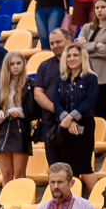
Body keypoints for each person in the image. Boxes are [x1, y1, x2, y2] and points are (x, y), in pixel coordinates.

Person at [56, 43, 100, 193]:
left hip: (84, 126)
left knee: (85, 167)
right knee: (69, 169)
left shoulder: (91, 78)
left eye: (75, 55)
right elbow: (56, 103)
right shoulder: (61, 79)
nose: (72, 58)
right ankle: (72, 206)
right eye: (68, 56)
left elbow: (90, 101)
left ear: (82, 57)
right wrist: (67, 120)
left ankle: (101, 203)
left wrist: (71, 118)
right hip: (66, 129)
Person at [76, 0, 106, 120]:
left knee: (99, 116)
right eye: (97, 8)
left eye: (103, 7)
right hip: (85, 76)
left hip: (104, 78)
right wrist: (96, 45)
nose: (99, 10)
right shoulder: (87, 27)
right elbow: (76, 49)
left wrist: (86, 46)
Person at [0, 51, 35, 182]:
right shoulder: (0, 85)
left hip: (21, 130)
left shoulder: (30, 84)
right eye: (12, 64)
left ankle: (20, 199)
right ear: (7, 66)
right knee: (6, 174)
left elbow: (32, 111)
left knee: (19, 174)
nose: (15, 66)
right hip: (3, 130)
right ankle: (6, 201)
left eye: (18, 63)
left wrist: (17, 111)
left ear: (24, 64)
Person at [33, 28, 73, 166]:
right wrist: (57, 110)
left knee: (74, 169)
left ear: (69, 40)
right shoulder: (44, 66)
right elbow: (37, 93)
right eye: (52, 43)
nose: (55, 46)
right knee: (55, 168)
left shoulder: (79, 64)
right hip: (50, 125)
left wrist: (68, 115)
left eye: (58, 42)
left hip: (73, 123)